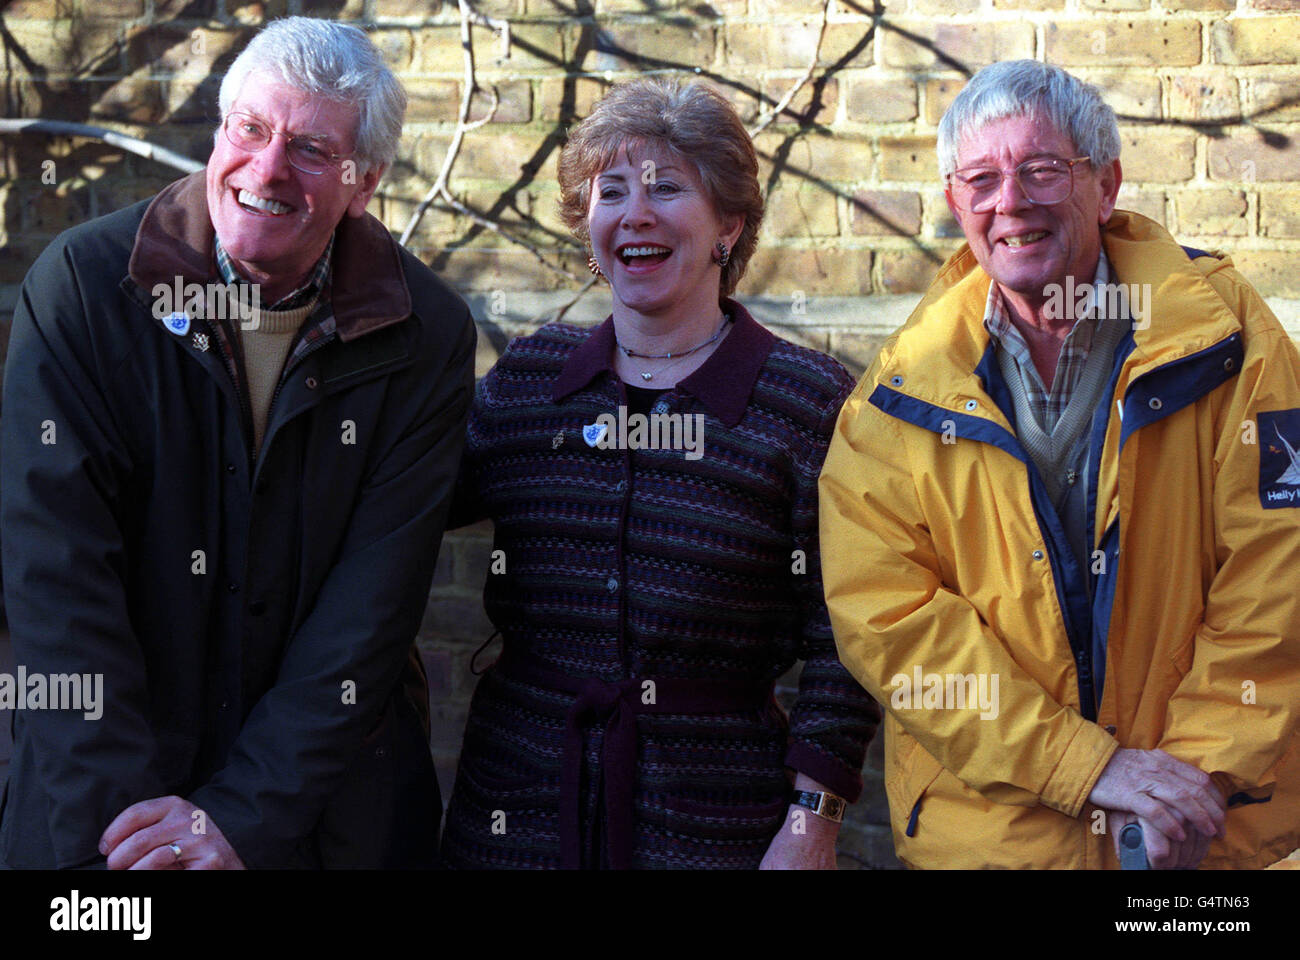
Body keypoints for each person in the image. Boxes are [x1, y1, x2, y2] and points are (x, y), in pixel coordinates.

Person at [0, 17, 474, 869]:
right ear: (220, 133)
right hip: (95, 815)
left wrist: (241, 820)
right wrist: (139, 834)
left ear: (364, 183)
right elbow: (56, 577)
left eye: (310, 150)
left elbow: (371, 608)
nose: (267, 169)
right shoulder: (80, 290)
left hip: (330, 819)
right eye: (250, 130)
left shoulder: (425, 333)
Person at [820, 59, 1300, 869]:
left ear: (1105, 185)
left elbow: (1279, 566)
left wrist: (1196, 786)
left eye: (1042, 170)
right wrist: (1085, 768)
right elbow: (887, 619)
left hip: (1206, 839)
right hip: (996, 843)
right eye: (980, 179)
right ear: (953, 204)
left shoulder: (1230, 339)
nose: (1011, 202)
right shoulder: (899, 391)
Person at [439, 77, 880, 870]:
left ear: (728, 227)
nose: (634, 213)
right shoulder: (531, 382)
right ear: (589, 229)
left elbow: (844, 636)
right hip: (517, 802)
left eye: (667, 188)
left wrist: (814, 818)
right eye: (611, 192)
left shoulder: (804, 401)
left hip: (717, 818)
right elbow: (392, 509)